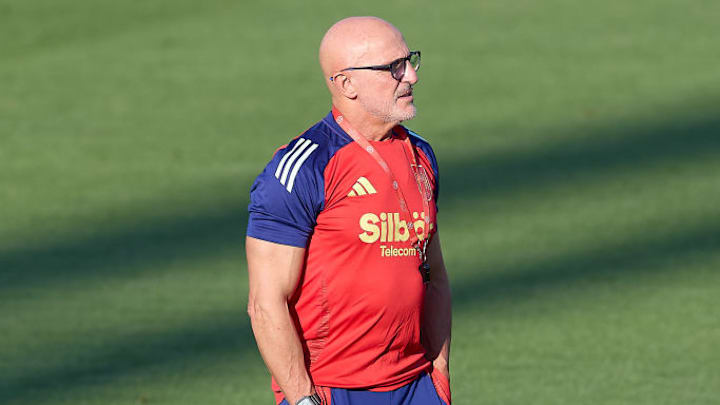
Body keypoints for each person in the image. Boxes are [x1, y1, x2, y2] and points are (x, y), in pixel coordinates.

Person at [246, 16, 452, 405]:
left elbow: (435, 275)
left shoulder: (421, 155)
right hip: (333, 392)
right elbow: (265, 302)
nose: (411, 76)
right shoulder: (303, 168)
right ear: (346, 84)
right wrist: (303, 400)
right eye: (393, 67)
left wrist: (438, 375)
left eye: (409, 60)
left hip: (415, 385)